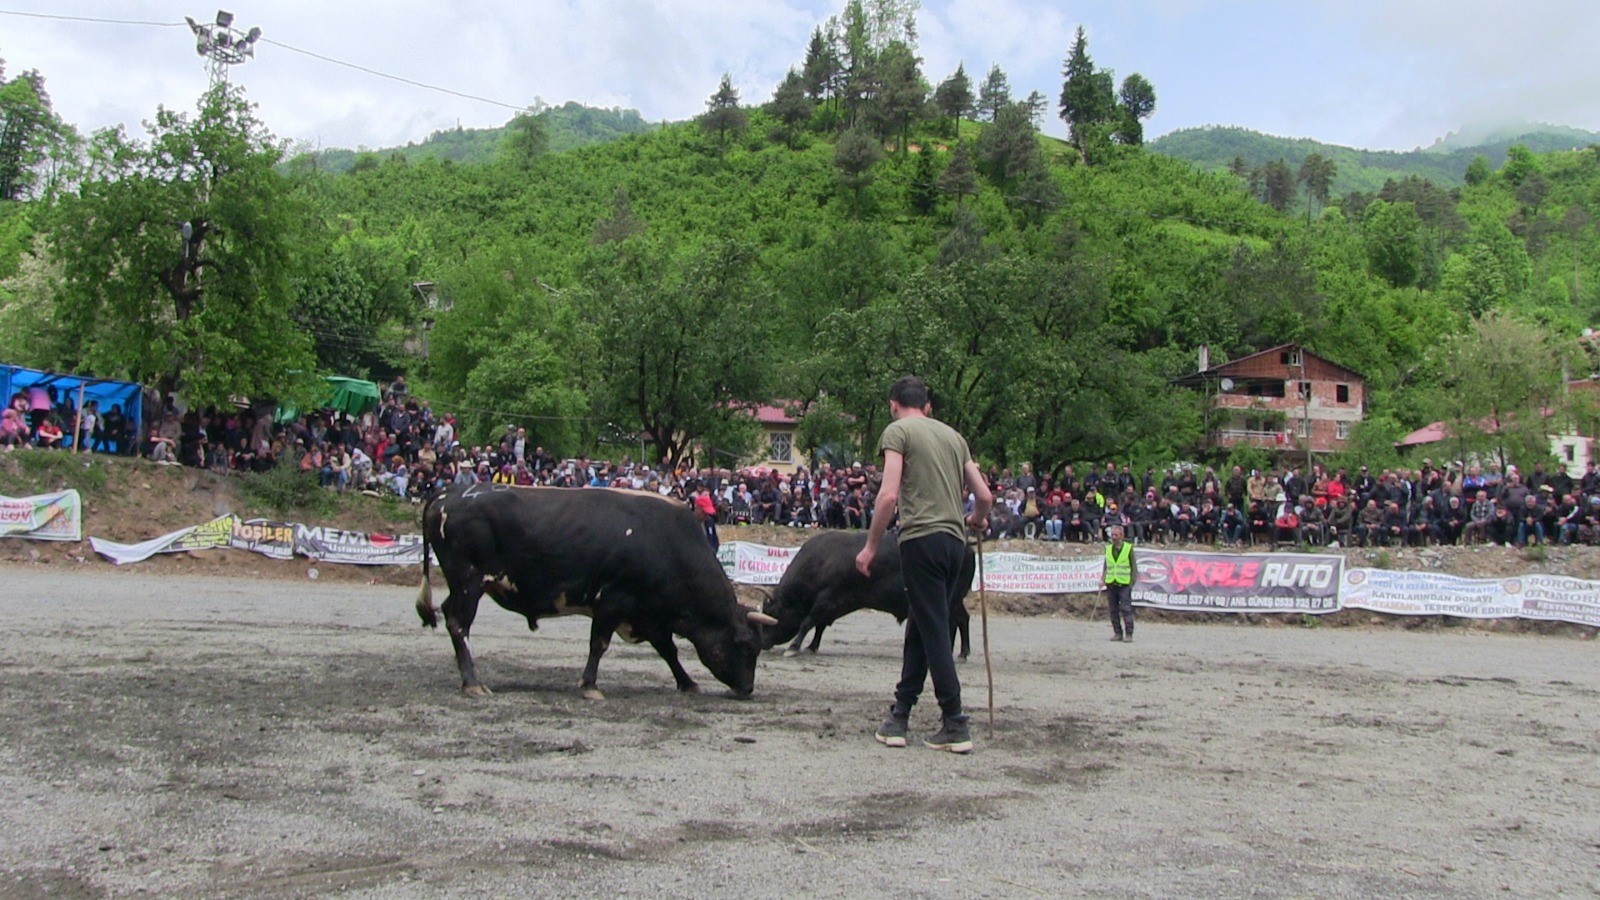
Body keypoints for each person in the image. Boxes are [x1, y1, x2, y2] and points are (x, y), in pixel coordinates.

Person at [857, 376, 992, 755]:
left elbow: (888, 496)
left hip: (921, 541)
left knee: (934, 631)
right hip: (956, 544)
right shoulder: (954, 436)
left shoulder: (897, 432)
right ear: (927, 405)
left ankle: (955, 721)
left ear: (893, 404)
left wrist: (869, 546)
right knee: (922, 624)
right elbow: (984, 496)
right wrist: (975, 520)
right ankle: (899, 715)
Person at [1102, 524, 1138, 642]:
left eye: (1116, 535)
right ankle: (1117, 633)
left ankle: (1129, 633)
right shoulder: (1108, 549)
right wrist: (1103, 579)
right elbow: (1106, 565)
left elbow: (1133, 566)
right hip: (1111, 583)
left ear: (1122, 536)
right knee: (1113, 610)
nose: (1113, 537)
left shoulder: (1128, 548)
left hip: (1124, 584)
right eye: (1112, 535)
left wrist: (1132, 582)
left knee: (1126, 609)